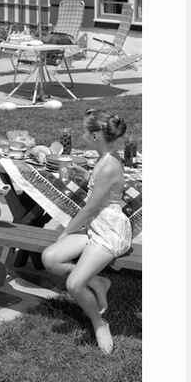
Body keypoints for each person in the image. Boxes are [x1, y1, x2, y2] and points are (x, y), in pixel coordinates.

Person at [41, 109, 132, 355]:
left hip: (109, 230)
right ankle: (99, 282)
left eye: (83, 131)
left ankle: (99, 323)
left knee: (73, 284)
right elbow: (100, 188)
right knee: (49, 259)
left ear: (94, 136)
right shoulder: (105, 159)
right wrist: (83, 174)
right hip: (95, 225)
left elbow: (90, 207)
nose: (81, 135)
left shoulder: (110, 165)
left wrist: (65, 232)